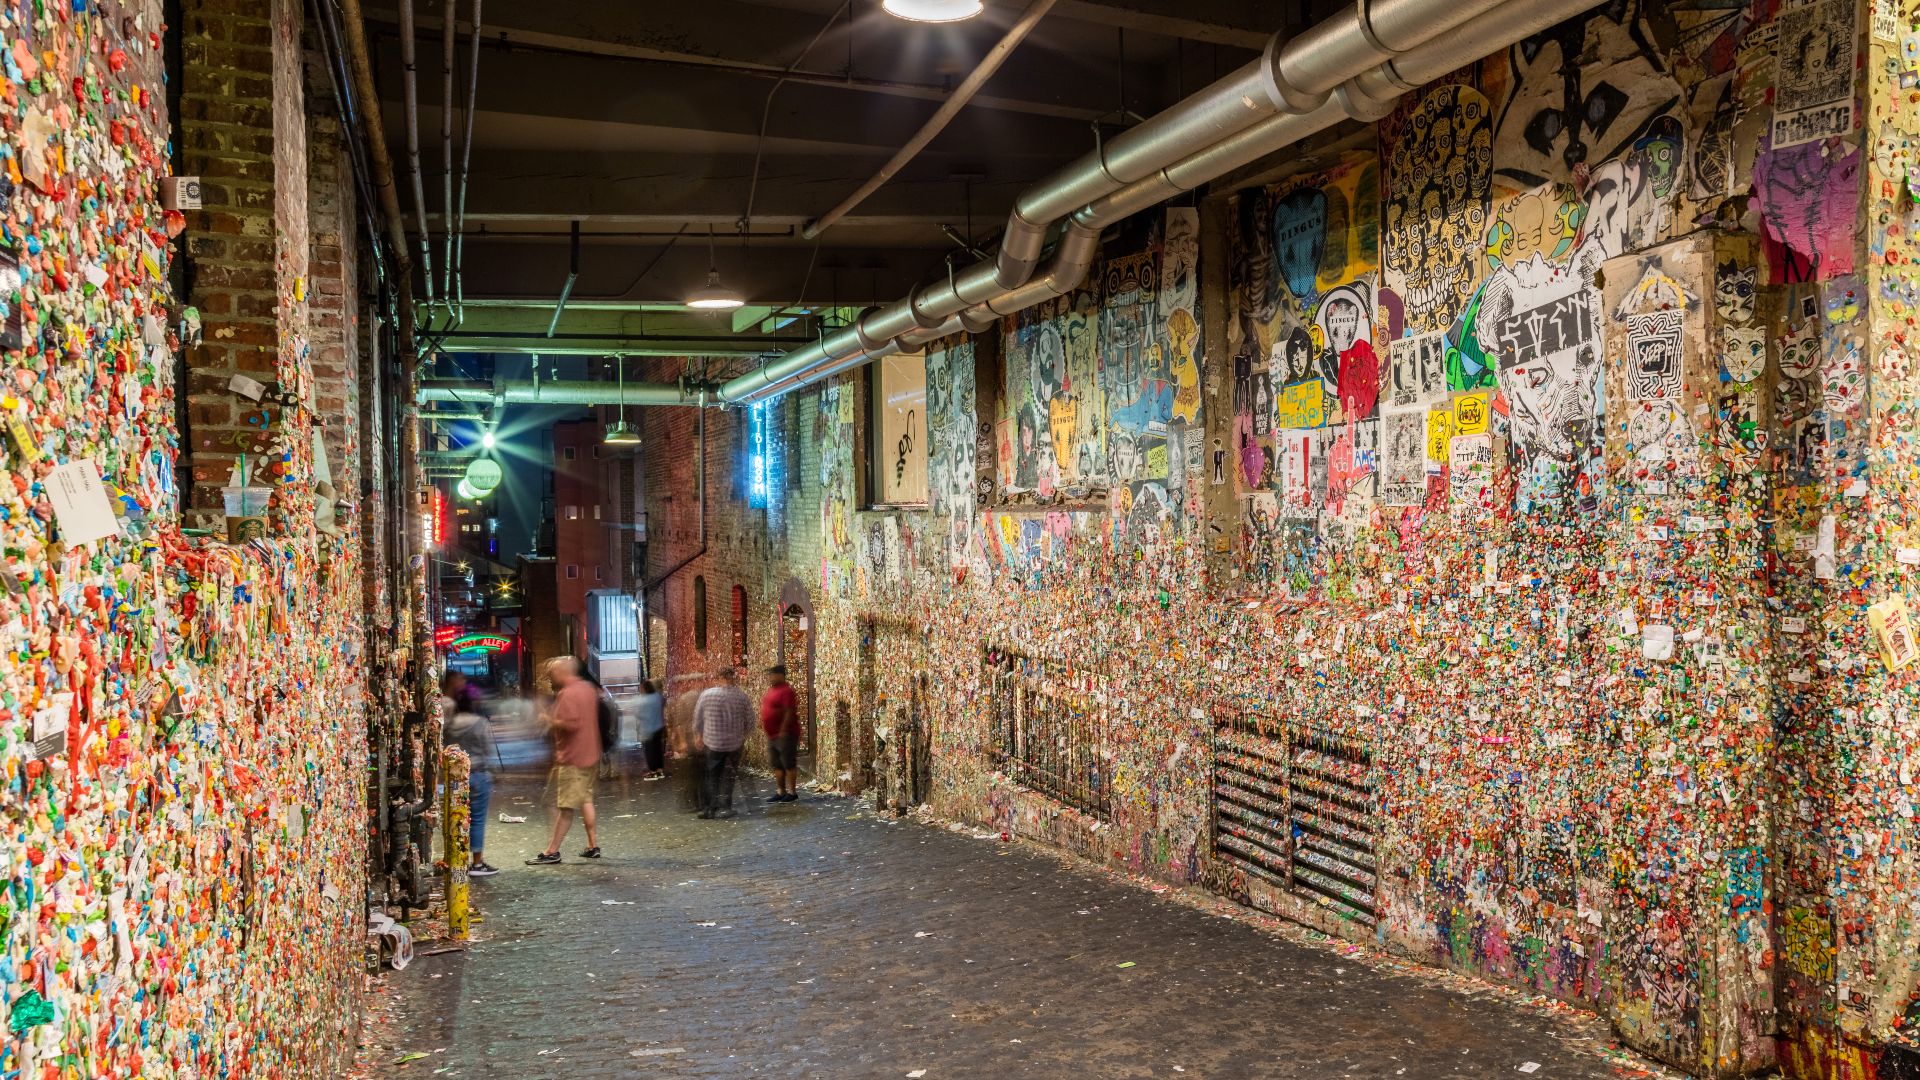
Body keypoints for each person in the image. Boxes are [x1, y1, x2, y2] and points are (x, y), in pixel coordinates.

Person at [526, 657, 603, 864]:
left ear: (563, 672)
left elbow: (571, 724)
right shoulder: (588, 688)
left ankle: (552, 851)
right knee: (586, 799)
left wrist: (548, 720)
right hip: (590, 754)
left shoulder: (567, 694)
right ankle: (592, 844)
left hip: (572, 758)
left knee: (564, 807)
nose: (551, 676)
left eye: (553, 672)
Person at [692, 665, 754, 819]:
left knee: (712, 776)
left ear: (719, 678)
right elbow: (750, 721)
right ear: (733, 678)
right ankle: (726, 807)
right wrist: (743, 736)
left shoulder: (707, 695)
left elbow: (697, 718)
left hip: (713, 743)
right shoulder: (742, 697)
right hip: (735, 744)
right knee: (729, 776)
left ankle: (709, 809)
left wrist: (698, 736)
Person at [760, 665, 800, 802]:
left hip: (785, 735)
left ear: (781, 675)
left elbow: (789, 711)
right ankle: (780, 791)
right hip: (772, 735)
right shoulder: (772, 690)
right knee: (777, 764)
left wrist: (783, 729)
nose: (770, 677)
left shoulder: (786, 691)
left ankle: (792, 792)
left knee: (788, 763)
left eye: (772, 675)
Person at [635, 679, 666, 780]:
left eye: (641, 688)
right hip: (659, 727)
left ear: (645, 688)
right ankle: (659, 770)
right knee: (658, 749)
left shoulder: (644, 700)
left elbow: (639, 714)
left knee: (650, 751)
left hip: (648, 729)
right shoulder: (658, 697)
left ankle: (653, 772)